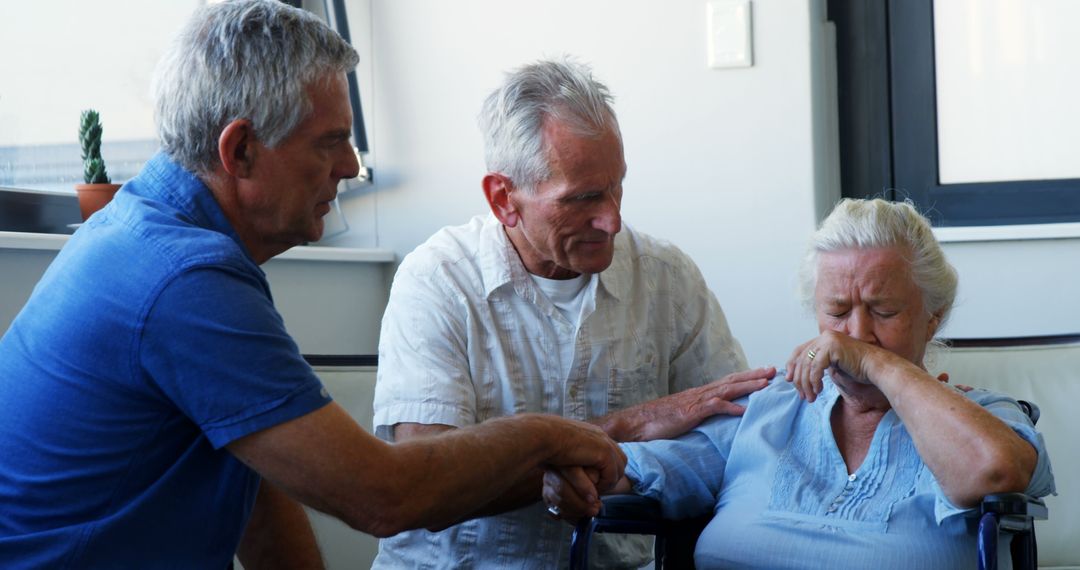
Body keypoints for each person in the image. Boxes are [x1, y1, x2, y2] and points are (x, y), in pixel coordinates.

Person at [0, 2, 627, 567]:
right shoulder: (182, 280)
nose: (351, 166)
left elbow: (260, 498)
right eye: (330, 141)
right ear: (240, 149)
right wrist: (550, 432)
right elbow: (384, 496)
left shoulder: (153, 234)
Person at [372, 58, 774, 569]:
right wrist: (627, 427)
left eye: (616, 186)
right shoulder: (437, 280)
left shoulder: (667, 276)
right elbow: (425, 488)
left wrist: (603, 466)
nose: (612, 219)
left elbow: (733, 442)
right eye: (582, 198)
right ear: (503, 199)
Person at [544, 198, 1057, 568]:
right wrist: (576, 468)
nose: (855, 333)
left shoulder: (984, 416)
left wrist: (880, 366)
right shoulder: (768, 409)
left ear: (933, 319)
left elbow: (993, 472)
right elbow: (623, 473)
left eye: (883, 311)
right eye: (836, 311)